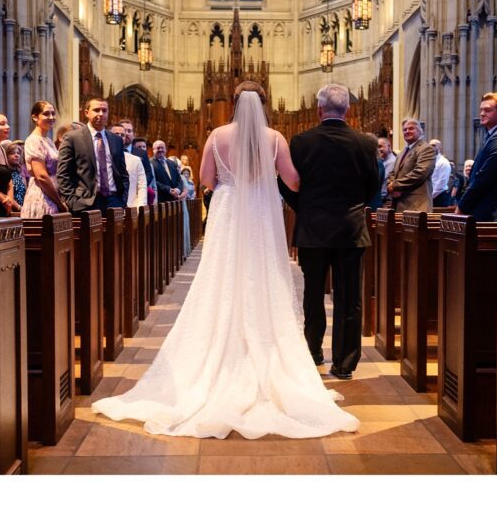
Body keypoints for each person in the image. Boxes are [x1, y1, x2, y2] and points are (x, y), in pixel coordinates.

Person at [91, 83, 359, 439]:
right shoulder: (275, 137)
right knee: (263, 277)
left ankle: (219, 354)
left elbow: (205, 180)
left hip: (229, 211)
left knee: (221, 278)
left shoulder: (217, 135)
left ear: (233, 103)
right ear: (263, 103)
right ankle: (266, 353)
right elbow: (293, 182)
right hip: (261, 214)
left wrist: (230, 181)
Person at [280, 83, 380, 381]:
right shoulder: (365, 143)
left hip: (313, 230)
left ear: (319, 109)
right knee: (349, 297)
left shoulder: (301, 142)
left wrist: (305, 208)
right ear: (347, 109)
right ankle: (344, 363)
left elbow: (285, 185)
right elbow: (373, 187)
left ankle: (313, 353)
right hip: (351, 230)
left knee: (312, 295)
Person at [56, 97, 128, 214]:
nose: (101, 114)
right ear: (86, 113)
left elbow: (123, 173)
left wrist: (122, 200)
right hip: (85, 203)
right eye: (96, 110)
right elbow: (63, 174)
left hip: (114, 202)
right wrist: (72, 202)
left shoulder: (116, 140)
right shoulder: (73, 138)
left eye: (104, 110)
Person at [455, 92, 497, 221]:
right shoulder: (493, 136)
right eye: (481, 110)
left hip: (491, 211)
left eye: (487, 110)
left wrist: (462, 206)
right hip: (484, 209)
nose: (482, 113)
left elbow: (484, 178)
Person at [22, 101, 69, 217]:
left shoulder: (48, 141)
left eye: (53, 113)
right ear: (35, 117)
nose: (51, 117)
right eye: (46, 114)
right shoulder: (33, 140)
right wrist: (59, 203)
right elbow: (41, 176)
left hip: (52, 193)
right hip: (42, 195)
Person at [386, 118, 436, 213]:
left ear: (419, 130)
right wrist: (391, 185)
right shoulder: (402, 152)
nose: (407, 131)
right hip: (399, 204)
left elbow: (420, 173)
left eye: (411, 128)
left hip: (416, 205)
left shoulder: (426, 149)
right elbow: (393, 172)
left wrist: (395, 185)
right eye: (405, 130)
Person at [110, 122, 149, 209]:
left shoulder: (135, 160)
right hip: (108, 207)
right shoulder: (102, 158)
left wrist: (141, 208)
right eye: (116, 134)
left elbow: (142, 186)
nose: (120, 137)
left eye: (122, 135)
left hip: (131, 207)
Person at [132, 137, 157, 205]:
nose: (142, 149)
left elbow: (154, 184)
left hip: (148, 195)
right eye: (139, 147)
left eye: (144, 146)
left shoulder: (150, 164)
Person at [429, 138, 453, 208]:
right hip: (430, 195)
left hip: (439, 196)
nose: (431, 147)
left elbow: (441, 183)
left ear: (439, 147)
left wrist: (430, 196)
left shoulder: (443, 162)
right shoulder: (429, 160)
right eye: (430, 145)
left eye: (434, 145)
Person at [5, 139, 27, 209]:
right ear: (6, 156)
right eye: (12, 153)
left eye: (18, 153)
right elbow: (6, 194)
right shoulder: (5, 172)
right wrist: (18, 207)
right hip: (11, 209)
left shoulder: (19, 173)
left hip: (22, 209)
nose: (16, 155)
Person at [377, 136, 397, 202]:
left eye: (380, 146)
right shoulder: (381, 161)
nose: (378, 149)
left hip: (387, 200)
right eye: (376, 147)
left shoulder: (393, 162)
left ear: (389, 147)